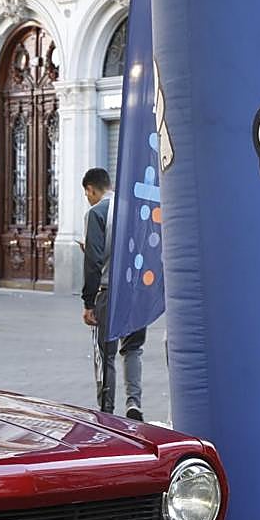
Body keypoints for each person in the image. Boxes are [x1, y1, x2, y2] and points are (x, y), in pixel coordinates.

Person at [81, 166, 146, 420]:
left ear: (91, 189)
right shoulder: (135, 210)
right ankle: (134, 403)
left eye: (87, 194)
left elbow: (94, 261)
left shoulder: (96, 213)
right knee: (132, 349)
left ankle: (107, 409)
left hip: (108, 292)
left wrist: (88, 302)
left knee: (105, 353)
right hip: (136, 292)